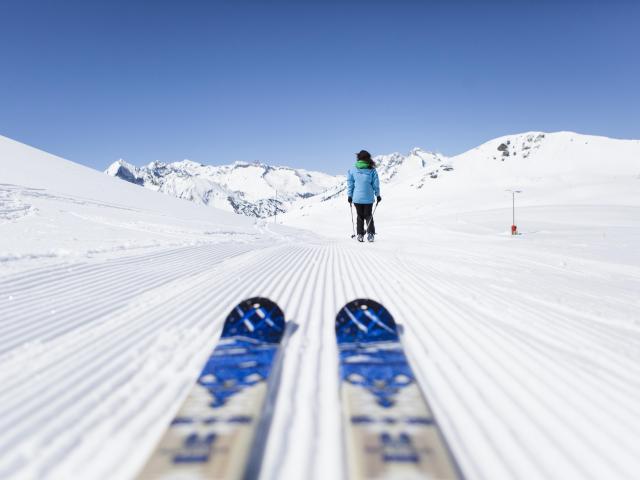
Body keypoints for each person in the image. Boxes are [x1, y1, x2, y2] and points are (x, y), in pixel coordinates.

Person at [347, 150, 381, 242]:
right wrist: (378, 195)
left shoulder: (352, 170)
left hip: (356, 198)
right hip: (368, 198)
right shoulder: (372, 170)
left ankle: (360, 235)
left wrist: (349, 196)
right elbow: (375, 184)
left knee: (360, 216)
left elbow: (350, 184)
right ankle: (370, 234)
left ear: (358, 158)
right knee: (368, 215)